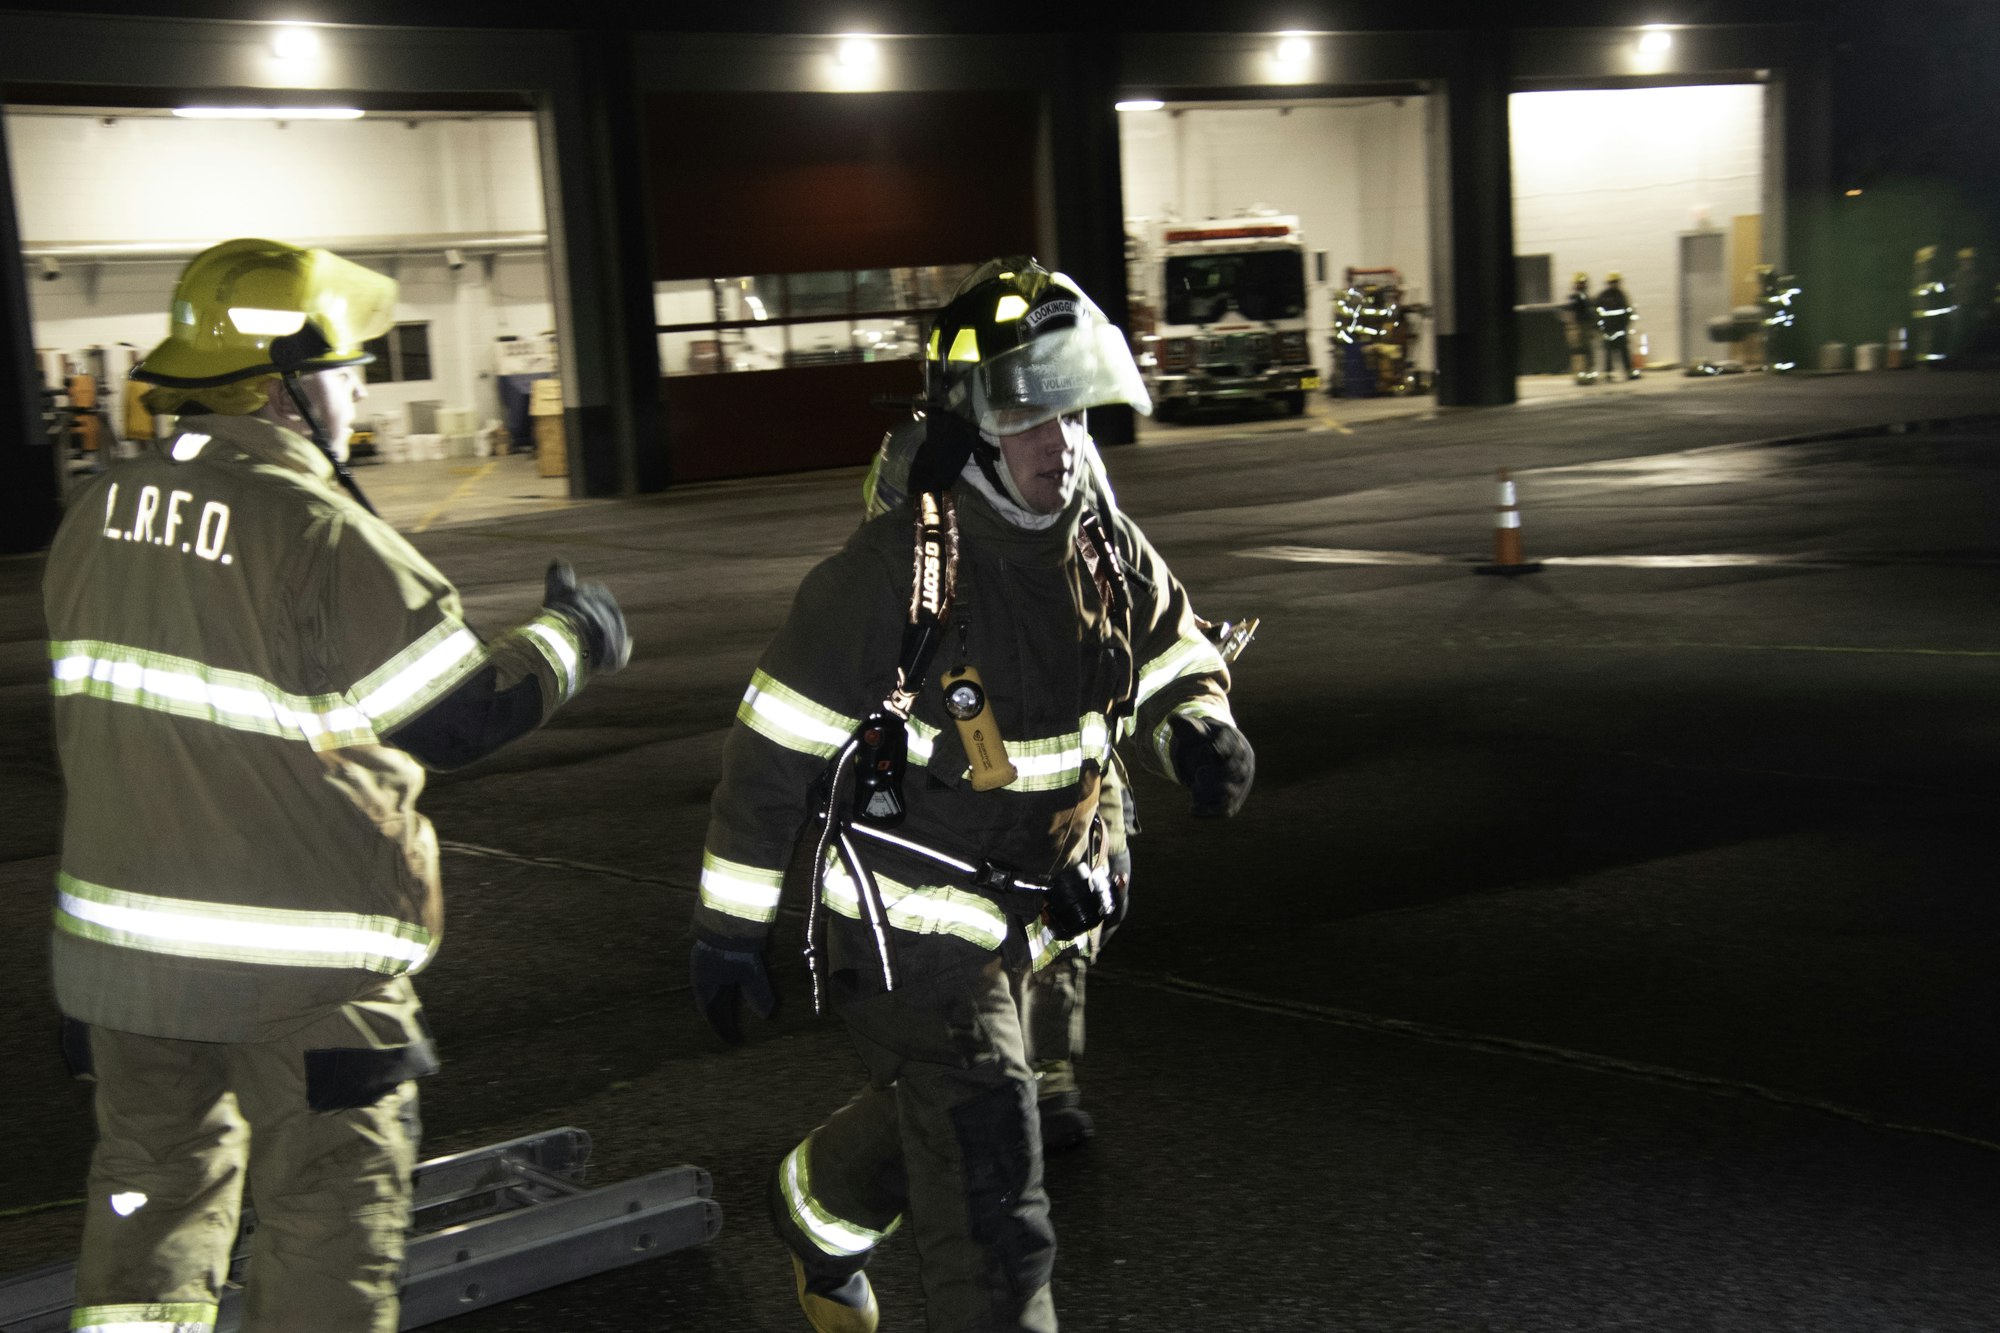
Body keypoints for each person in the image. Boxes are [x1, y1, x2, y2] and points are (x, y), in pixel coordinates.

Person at [43, 237, 632, 1333]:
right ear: (286, 384)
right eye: (348, 365)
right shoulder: (314, 531)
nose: (357, 386)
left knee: (147, 1202)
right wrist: (574, 637)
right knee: (327, 1218)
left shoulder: (98, 515)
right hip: (298, 978)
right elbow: (457, 715)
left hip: (123, 976)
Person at [691, 257, 1253, 1333]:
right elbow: (772, 751)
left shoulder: (1095, 539)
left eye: (1074, 413)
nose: (1063, 445)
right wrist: (726, 928)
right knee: (992, 1178)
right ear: (970, 428)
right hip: (915, 931)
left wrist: (1200, 725)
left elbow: (1170, 641)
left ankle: (813, 1207)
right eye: (1032, 420)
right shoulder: (891, 571)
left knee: (944, 1121)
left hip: (1035, 918)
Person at [861, 417, 1137, 1154]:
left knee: (1082, 892)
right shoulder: (913, 484)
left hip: (1061, 739)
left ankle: (1045, 1072)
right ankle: (983, 1074)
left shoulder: (1060, 476)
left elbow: (1118, 588)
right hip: (959, 778)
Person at [1595, 272, 1638, 380]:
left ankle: (1628, 371)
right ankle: (1608, 374)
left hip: (1620, 329)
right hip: (1608, 329)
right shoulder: (1603, 296)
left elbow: (1627, 310)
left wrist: (1626, 323)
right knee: (1609, 353)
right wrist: (1601, 326)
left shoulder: (1621, 295)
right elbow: (1597, 312)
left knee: (1624, 352)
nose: (1614, 284)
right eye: (1612, 282)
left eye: (1616, 282)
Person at [1566, 271, 1597, 383]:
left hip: (1586, 327)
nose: (1582, 285)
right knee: (1579, 351)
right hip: (1579, 326)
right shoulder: (1575, 297)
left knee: (1588, 351)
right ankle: (1581, 376)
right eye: (1580, 283)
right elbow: (1572, 314)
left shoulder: (1586, 297)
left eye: (1583, 282)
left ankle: (1588, 374)